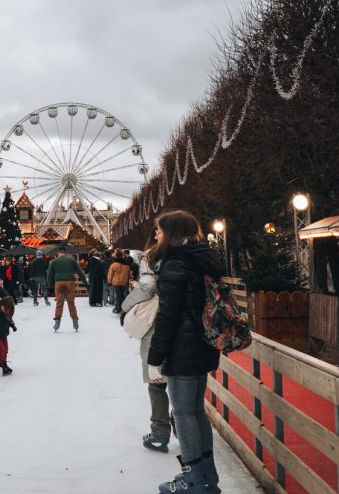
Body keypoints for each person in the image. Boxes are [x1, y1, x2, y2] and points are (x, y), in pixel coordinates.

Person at [147, 210, 223, 494]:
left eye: (158, 230)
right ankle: (207, 477)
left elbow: (168, 316)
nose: (156, 235)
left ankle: (192, 479)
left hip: (183, 348)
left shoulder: (175, 265)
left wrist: (154, 358)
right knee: (195, 411)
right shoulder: (200, 259)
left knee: (182, 413)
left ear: (171, 232)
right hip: (202, 344)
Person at [120, 249, 174, 454]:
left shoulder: (153, 256)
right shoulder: (192, 255)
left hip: (158, 321)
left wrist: (125, 306)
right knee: (180, 381)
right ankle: (181, 423)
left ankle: (160, 432)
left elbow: (147, 286)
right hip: (185, 323)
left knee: (156, 381)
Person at [46, 247, 88, 332]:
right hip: (70, 282)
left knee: (59, 302)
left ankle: (57, 321)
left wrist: (50, 286)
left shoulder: (53, 262)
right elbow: (80, 272)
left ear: (58, 253)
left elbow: (49, 274)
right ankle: (75, 320)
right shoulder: (72, 261)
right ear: (66, 253)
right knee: (71, 302)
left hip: (59, 283)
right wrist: (85, 283)